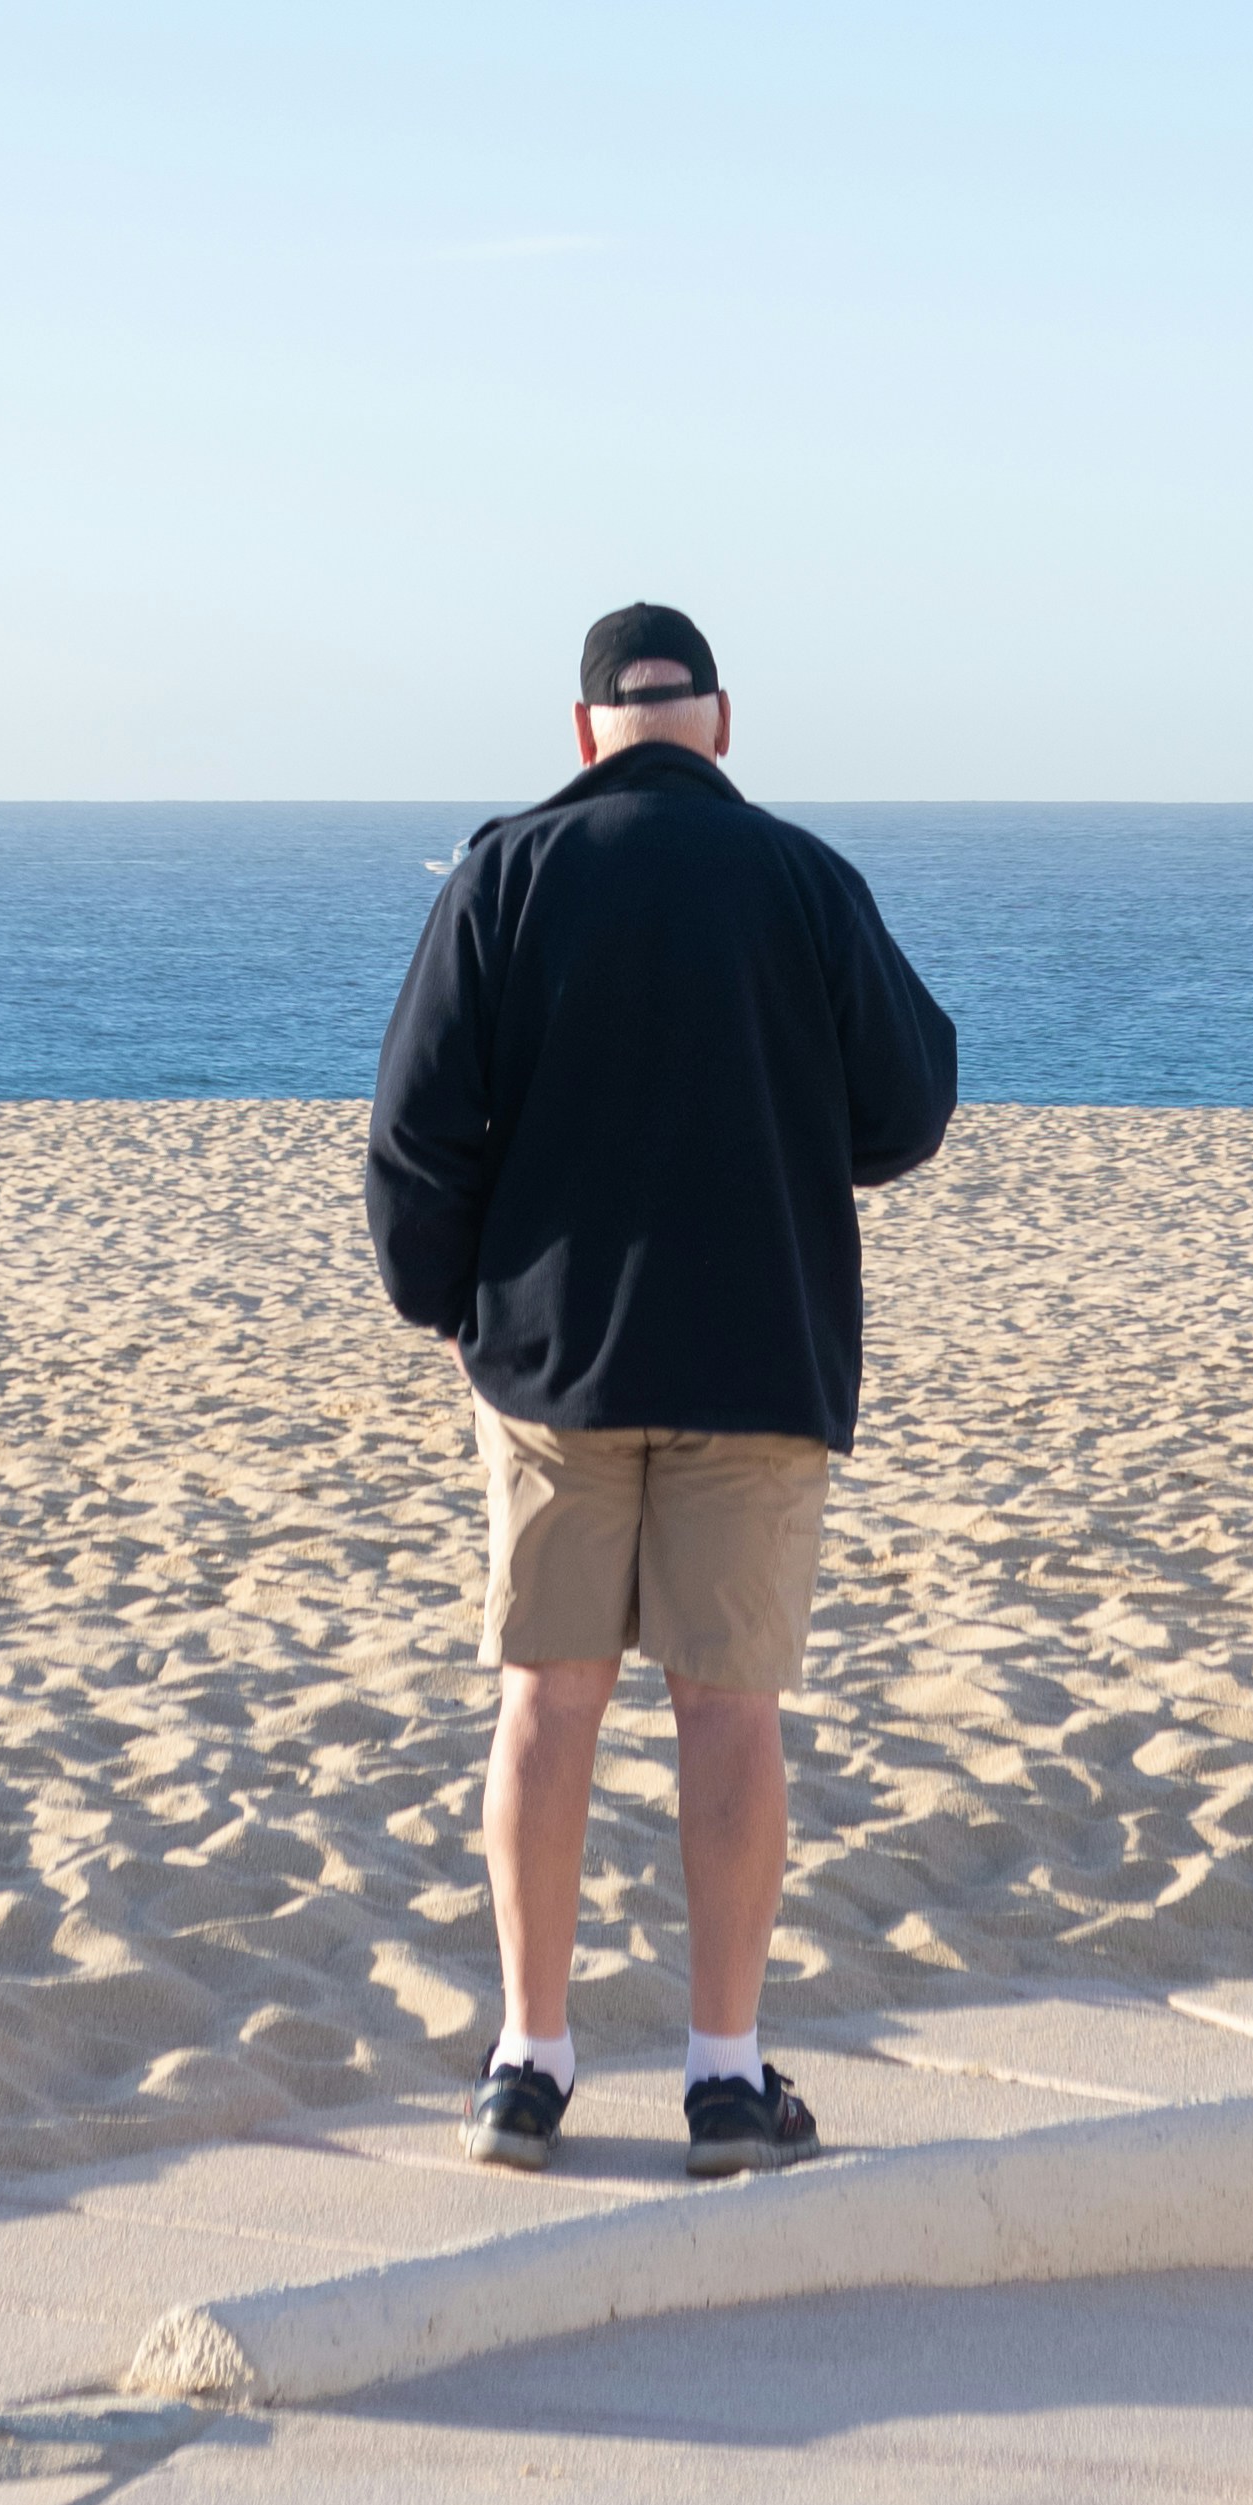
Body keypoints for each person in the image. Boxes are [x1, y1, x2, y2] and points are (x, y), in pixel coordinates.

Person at [362, 599, 962, 2171]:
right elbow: (908, 1110)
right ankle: (721, 2073)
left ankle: (528, 2062)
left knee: (548, 1700)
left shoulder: (505, 872)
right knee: (731, 1714)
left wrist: (445, 1304)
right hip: (755, 1347)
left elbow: (416, 1130)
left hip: (552, 1356)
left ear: (584, 733)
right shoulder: (803, 880)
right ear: (719, 722)